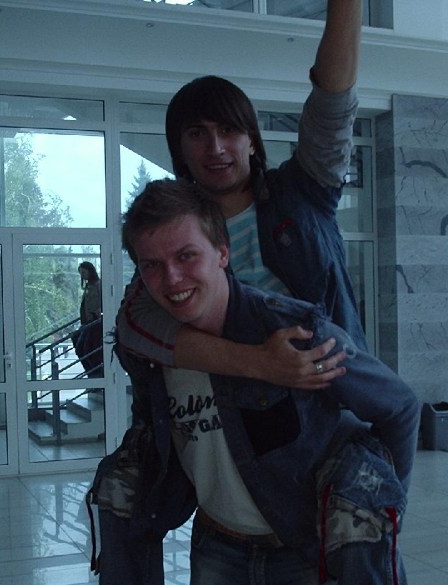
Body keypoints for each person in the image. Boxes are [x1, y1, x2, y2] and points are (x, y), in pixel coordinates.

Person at [93, 179, 418, 585]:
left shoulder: (296, 333)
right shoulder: (151, 353)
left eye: (186, 256)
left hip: (303, 550)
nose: (171, 279)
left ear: (222, 252)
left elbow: (400, 406)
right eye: (151, 265)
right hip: (217, 547)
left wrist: (388, 504)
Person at [116, 0, 365, 388]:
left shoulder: (303, 192)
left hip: (334, 397)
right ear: (179, 149)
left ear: (252, 140)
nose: (215, 148)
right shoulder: (176, 234)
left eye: (228, 130)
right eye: (197, 134)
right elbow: (133, 326)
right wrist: (260, 363)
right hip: (233, 413)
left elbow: (332, 104)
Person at [73, 261, 104, 376]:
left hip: (96, 322)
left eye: (84, 272)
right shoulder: (88, 286)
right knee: (77, 341)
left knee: (85, 349)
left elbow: (106, 301)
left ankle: (96, 374)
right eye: (81, 273)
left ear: (90, 271)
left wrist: (98, 312)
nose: (83, 275)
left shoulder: (99, 285)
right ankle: (92, 373)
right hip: (87, 322)